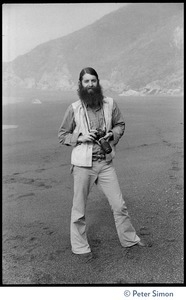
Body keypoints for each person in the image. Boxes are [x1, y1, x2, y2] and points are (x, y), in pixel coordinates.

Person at [58, 67, 146, 260]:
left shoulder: (110, 104)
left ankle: (129, 239)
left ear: (98, 82)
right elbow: (62, 135)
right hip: (83, 165)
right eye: (86, 81)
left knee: (119, 205)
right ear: (80, 84)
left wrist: (112, 134)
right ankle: (80, 247)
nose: (90, 85)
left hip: (105, 163)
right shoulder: (74, 108)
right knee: (79, 209)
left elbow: (120, 124)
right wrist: (80, 137)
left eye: (93, 81)